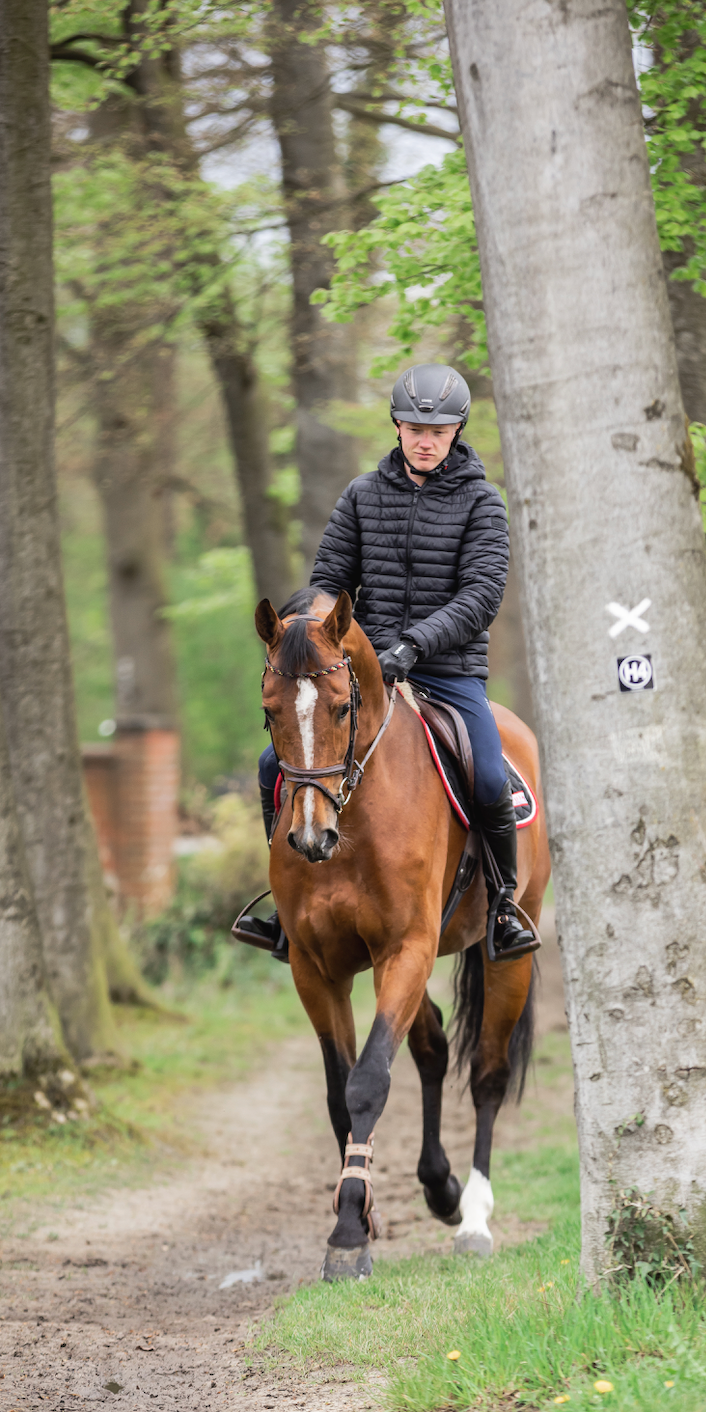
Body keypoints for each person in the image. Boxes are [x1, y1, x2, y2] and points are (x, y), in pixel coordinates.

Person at [240, 363, 539, 963]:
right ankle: (284, 903)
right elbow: (329, 583)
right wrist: (318, 637)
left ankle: (503, 904)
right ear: (397, 427)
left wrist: (415, 646)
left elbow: (481, 594)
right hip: (360, 673)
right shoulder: (361, 495)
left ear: (456, 431)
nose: (425, 439)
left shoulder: (482, 503)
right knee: (274, 761)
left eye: (438, 429)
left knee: (485, 776)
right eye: (413, 427)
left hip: (448, 673)